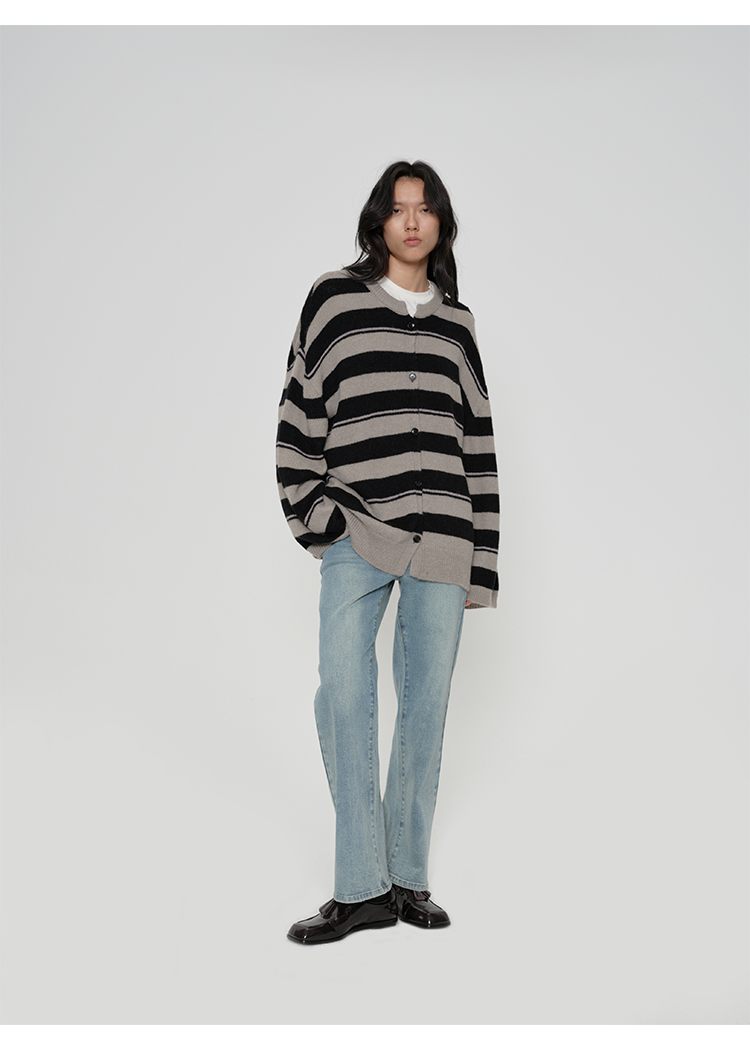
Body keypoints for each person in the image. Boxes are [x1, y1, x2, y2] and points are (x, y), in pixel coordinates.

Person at [275, 159, 500, 944]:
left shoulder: (458, 323)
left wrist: (481, 566)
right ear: (378, 220)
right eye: (398, 208)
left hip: (445, 534)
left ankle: (405, 879)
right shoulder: (334, 299)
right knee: (342, 690)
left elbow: (477, 444)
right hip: (358, 526)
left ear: (440, 224)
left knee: (426, 706)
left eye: (424, 208)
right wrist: (317, 516)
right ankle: (360, 886)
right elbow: (298, 410)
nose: (411, 221)